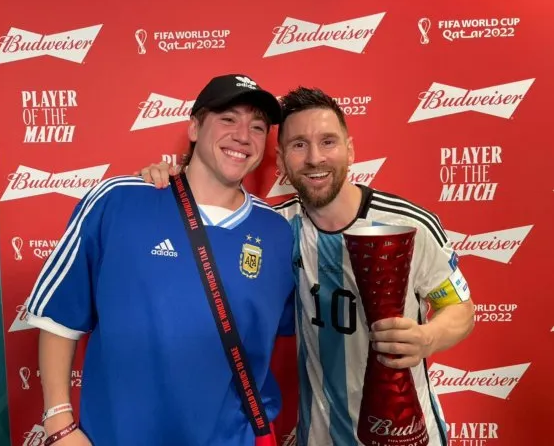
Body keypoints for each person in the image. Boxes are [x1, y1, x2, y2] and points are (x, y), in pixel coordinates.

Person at [141, 86, 475, 446]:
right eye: (299, 145)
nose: (315, 158)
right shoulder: (275, 229)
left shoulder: (410, 225)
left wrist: (428, 338)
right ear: (282, 161)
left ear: (350, 150)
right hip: (317, 436)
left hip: (404, 432)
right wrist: (164, 183)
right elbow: (204, 236)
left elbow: (459, 308)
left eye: (328, 142)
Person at [24, 74, 296, 446]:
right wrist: (59, 422)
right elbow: (58, 318)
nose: (243, 136)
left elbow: (303, 328)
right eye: (228, 119)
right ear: (195, 127)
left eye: (258, 127)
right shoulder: (117, 201)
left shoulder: (278, 232)